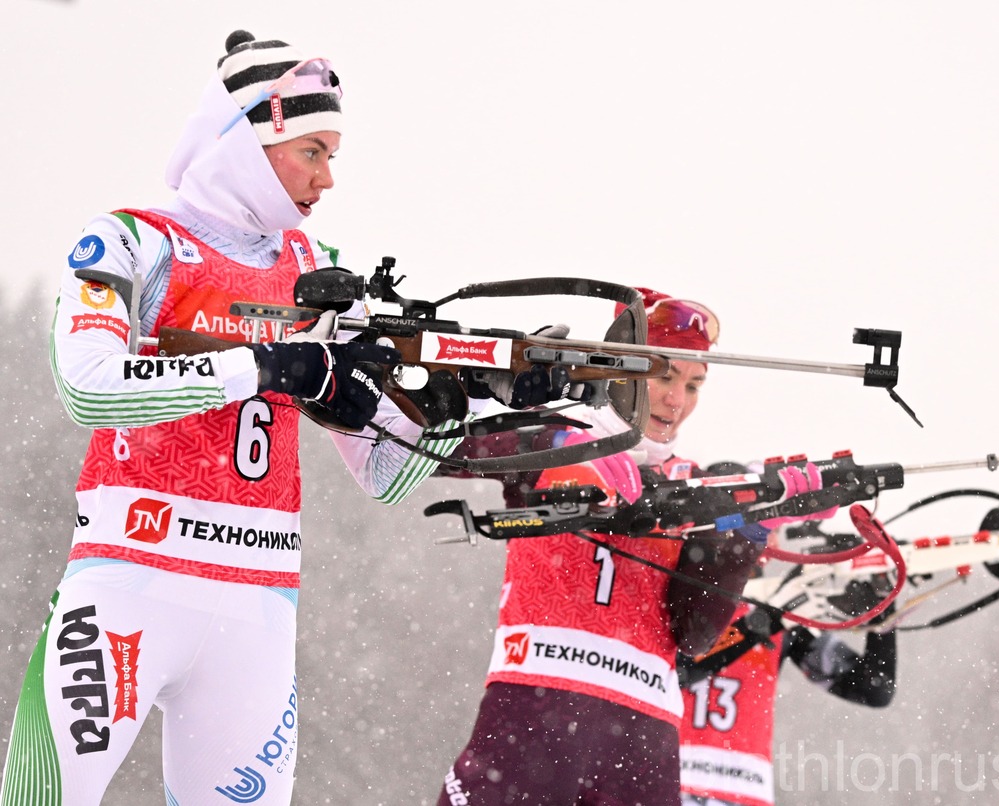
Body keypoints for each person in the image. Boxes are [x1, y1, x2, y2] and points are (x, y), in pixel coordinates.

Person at [0, 30, 525, 806]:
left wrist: (460, 402)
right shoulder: (135, 238)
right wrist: (266, 366)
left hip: (257, 608)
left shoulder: (318, 271)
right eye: (312, 151)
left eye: (332, 155)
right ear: (248, 138)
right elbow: (88, 386)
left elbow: (383, 472)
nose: (327, 177)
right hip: (129, 580)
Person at [437, 290, 831, 806]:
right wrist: (555, 444)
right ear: (621, 371)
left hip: (643, 739)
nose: (677, 401)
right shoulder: (557, 439)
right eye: (665, 377)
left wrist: (748, 529)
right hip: (537, 707)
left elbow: (695, 634)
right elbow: (436, 447)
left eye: (694, 385)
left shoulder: (694, 487)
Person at [677, 559, 897, 806]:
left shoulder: (780, 617)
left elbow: (874, 689)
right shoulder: (678, 599)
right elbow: (681, 670)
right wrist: (767, 619)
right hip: (672, 784)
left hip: (744, 792)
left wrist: (883, 606)